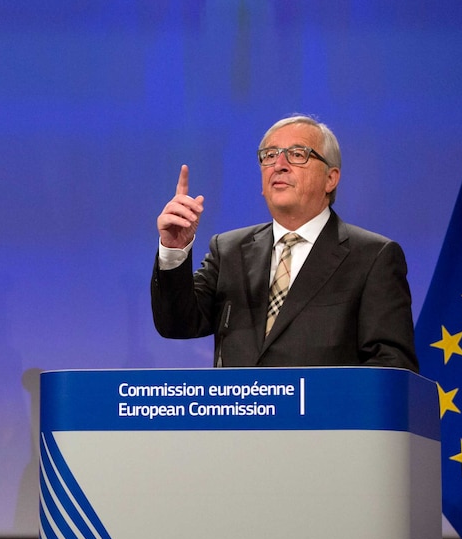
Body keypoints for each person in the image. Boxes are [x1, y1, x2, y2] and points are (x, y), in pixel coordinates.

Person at [151, 114, 418, 372]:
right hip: (242, 416)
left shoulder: (373, 257)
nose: (279, 164)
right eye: (269, 155)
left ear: (330, 178)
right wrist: (174, 249)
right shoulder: (230, 250)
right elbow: (177, 324)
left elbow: (391, 367)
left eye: (298, 154)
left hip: (323, 417)